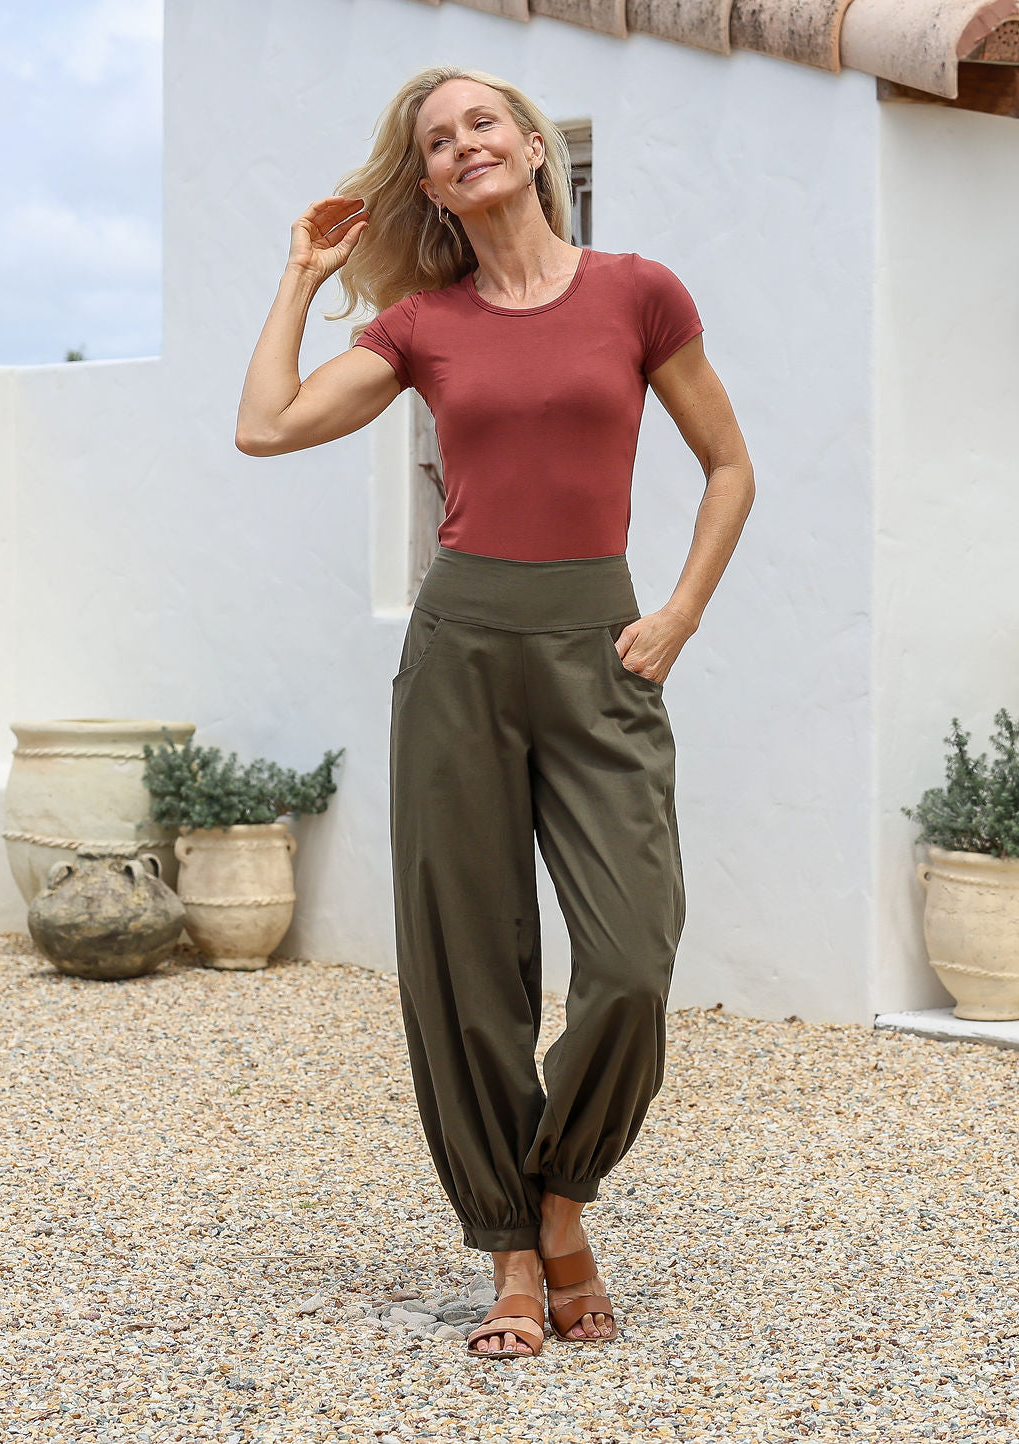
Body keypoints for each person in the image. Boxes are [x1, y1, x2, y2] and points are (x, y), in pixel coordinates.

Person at [236, 64, 754, 1361]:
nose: (464, 143)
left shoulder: (639, 294)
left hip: (604, 651)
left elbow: (731, 468)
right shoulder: (423, 328)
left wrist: (680, 614)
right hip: (460, 648)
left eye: (482, 122)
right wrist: (304, 274)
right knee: (470, 972)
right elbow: (265, 427)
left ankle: (563, 1202)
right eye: (435, 138)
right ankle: (518, 1255)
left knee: (632, 962)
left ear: (532, 148)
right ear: (430, 182)